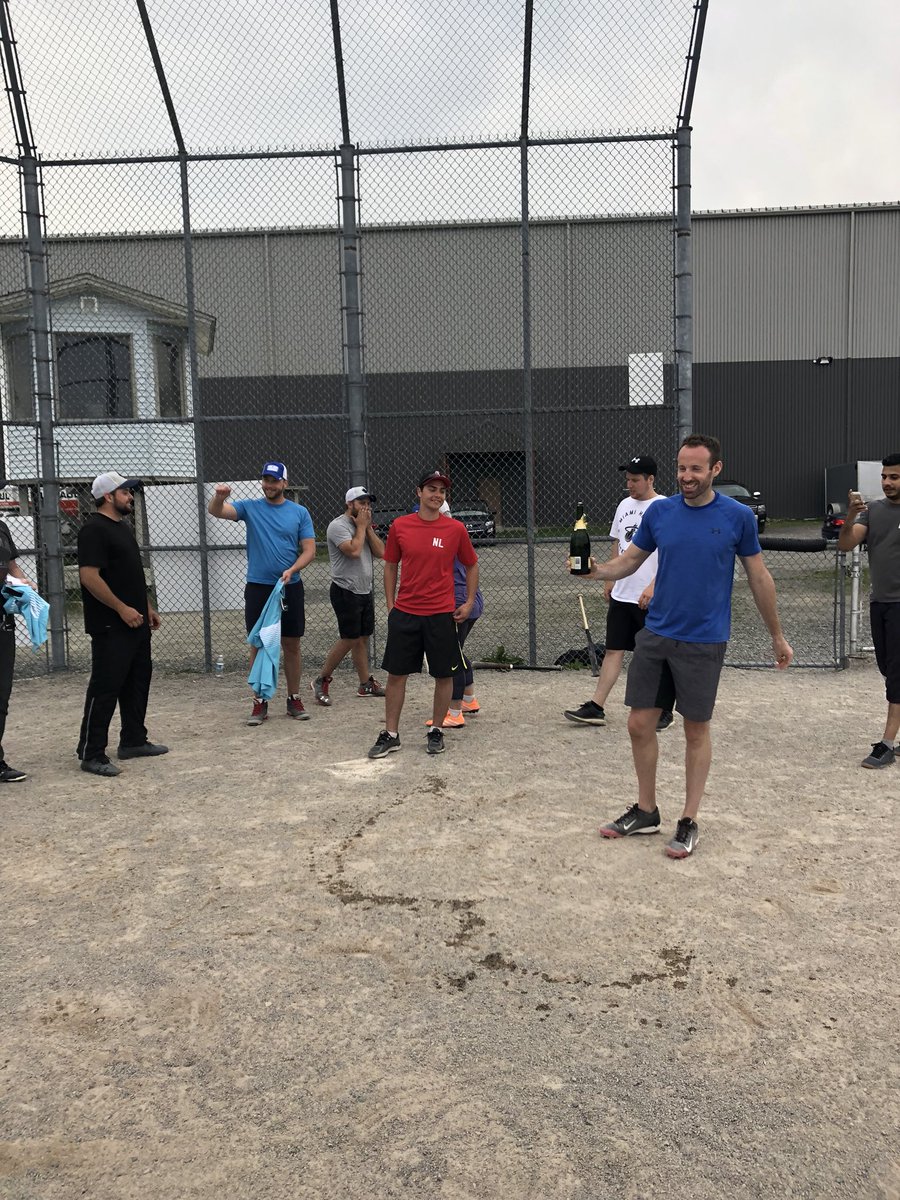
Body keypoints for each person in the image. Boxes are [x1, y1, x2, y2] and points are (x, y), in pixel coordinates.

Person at [588, 435, 793, 859]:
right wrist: (597, 571)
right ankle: (646, 810)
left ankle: (688, 819)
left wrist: (776, 634)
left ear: (715, 469)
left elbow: (758, 576)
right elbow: (630, 560)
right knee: (639, 723)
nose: (687, 476)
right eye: (682, 468)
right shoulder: (661, 512)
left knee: (695, 729)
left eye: (696, 469)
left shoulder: (737, 517)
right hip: (656, 634)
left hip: (703, 639)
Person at [368, 470, 478, 759]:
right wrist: (391, 605)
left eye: (442, 490)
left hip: (441, 614)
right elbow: (390, 564)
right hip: (406, 613)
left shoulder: (455, 529)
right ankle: (391, 734)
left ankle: (436, 730)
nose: (437, 495)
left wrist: (468, 602)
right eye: (431, 489)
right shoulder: (401, 526)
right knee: (396, 674)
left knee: (443, 675)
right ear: (419, 492)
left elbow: (471, 564)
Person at [563, 454, 673, 732]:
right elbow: (618, 543)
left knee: (655, 654)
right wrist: (609, 580)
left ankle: (663, 709)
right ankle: (596, 706)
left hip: (649, 596)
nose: (630, 485)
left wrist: (655, 585)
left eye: (635, 480)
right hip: (623, 593)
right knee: (614, 650)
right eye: (628, 480)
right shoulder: (624, 505)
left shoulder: (664, 507)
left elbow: (671, 553)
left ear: (651, 479)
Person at [208, 461, 316, 725]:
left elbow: (310, 550)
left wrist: (293, 569)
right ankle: (259, 702)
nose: (269, 485)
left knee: (291, 643)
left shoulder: (299, 512)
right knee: (258, 643)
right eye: (266, 480)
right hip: (259, 586)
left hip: (289, 587)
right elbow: (217, 511)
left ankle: (294, 698)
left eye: (274, 480)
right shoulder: (250, 507)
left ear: (285, 483)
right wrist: (219, 497)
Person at [76, 472, 168, 777]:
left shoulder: (122, 527)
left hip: (136, 622)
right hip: (111, 625)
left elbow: (131, 575)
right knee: (105, 687)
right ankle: (91, 752)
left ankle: (133, 740)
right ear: (107, 496)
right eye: (125, 492)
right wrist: (121, 608)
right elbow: (89, 577)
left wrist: (146, 607)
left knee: (137, 681)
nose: (130, 497)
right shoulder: (94, 529)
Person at [837, 453, 900, 768]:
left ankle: (886, 743)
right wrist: (850, 515)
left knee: (897, 676)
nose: (887, 482)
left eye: (894, 477)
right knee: (889, 669)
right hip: (880, 602)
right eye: (884, 477)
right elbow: (846, 544)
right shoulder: (873, 511)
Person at [312, 486, 386, 705]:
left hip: (364, 589)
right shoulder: (338, 526)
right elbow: (353, 551)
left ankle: (365, 684)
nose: (366, 508)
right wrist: (361, 527)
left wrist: (367, 528)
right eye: (361, 503)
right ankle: (321, 679)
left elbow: (381, 552)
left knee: (362, 638)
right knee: (350, 638)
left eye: (368, 504)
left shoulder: (364, 526)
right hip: (345, 590)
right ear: (349, 504)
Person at [426, 500, 484, 729]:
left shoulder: (445, 533)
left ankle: (454, 711)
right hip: (469, 600)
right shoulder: (453, 531)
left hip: (457, 603)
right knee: (457, 652)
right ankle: (469, 699)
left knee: (451, 658)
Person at [0, 507, 37, 782]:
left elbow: (11, 565)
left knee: (2, 695)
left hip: (3, 622)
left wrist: (23, 584)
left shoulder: (1, 527)